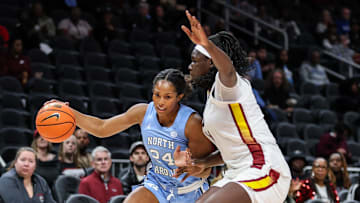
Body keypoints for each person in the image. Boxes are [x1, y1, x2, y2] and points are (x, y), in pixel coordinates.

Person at [46, 68, 215, 203]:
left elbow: (206, 170)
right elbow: (102, 127)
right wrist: (68, 113)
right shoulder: (142, 112)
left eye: (167, 97)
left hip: (189, 191)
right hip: (158, 184)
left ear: (180, 96)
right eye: (157, 95)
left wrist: (191, 166)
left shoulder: (192, 124)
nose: (160, 102)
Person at [174, 10, 291, 203]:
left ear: (211, 63)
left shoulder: (231, 85)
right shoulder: (212, 97)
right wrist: (204, 163)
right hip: (236, 172)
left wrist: (207, 45)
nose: (189, 66)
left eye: (195, 61)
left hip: (265, 168)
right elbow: (232, 149)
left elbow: (227, 69)